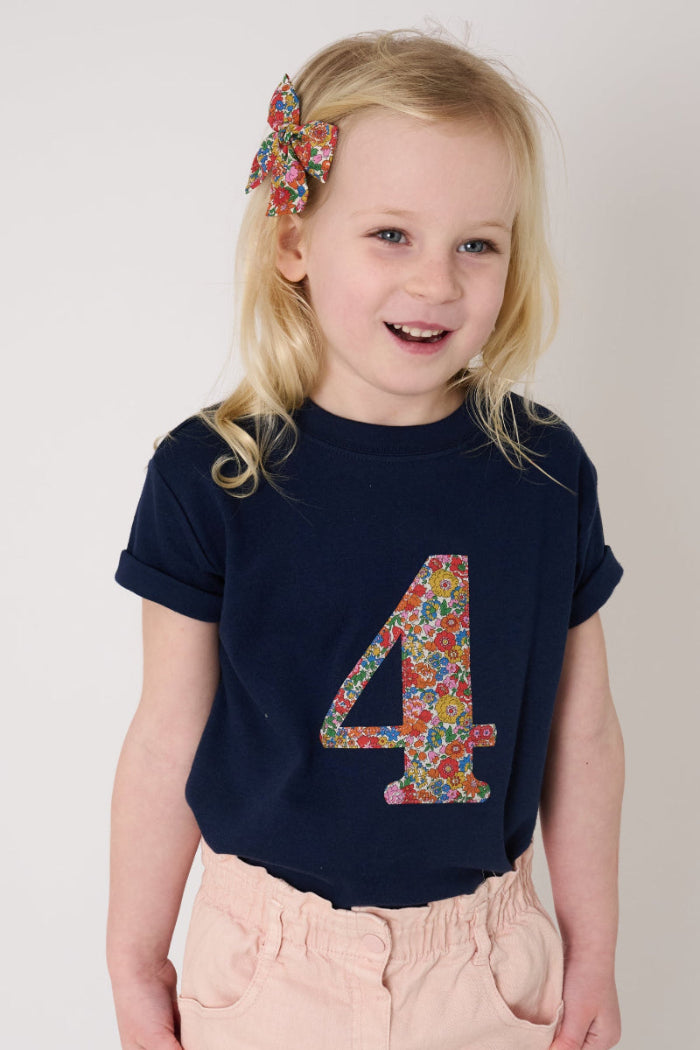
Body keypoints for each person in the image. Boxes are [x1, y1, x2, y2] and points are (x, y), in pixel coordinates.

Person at [107, 27, 625, 1050]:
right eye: (391, 235)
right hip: (265, 962)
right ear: (296, 241)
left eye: (476, 243)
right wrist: (133, 956)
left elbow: (584, 729)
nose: (436, 283)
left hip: (482, 963)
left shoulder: (542, 471)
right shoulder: (209, 475)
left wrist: (595, 950)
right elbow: (167, 731)